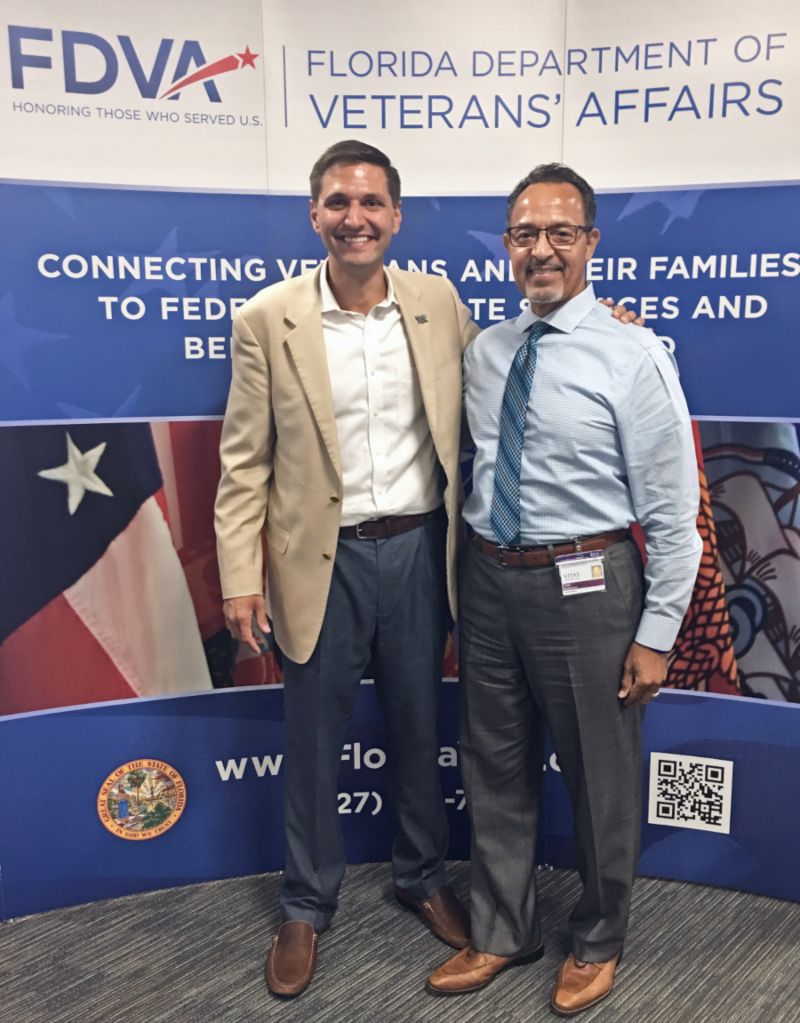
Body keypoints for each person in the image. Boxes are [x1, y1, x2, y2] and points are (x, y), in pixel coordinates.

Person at [426, 164, 702, 1015]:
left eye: (560, 233)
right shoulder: (486, 349)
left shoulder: (634, 353)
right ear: (507, 245)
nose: (541, 249)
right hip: (489, 581)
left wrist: (657, 632)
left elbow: (675, 511)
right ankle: (502, 928)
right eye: (524, 234)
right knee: (495, 765)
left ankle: (598, 936)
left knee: (600, 775)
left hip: (590, 587)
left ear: (589, 243)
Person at [214, 140, 476, 997]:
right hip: (313, 565)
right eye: (337, 202)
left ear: (396, 216)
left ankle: (423, 874)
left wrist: (605, 321)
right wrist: (238, 578)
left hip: (416, 551)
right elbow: (243, 463)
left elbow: (510, 377)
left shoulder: (440, 303)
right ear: (315, 214)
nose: (354, 218)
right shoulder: (267, 318)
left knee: (416, 728)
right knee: (314, 744)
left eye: (370, 203)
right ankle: (305, 901)